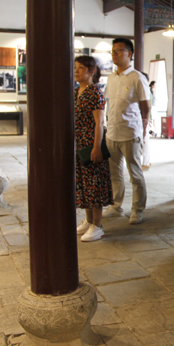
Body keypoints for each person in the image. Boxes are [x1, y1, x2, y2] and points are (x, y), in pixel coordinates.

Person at [104, 38, 150, 224]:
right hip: (111, 133)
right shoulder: (111, 78)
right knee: (114, 174)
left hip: (130, 133)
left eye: (118, 51)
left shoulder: (137, 77)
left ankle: (137, 210)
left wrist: (143, 129)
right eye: (113, 51)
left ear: (129, 54)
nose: (114, 54)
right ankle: (116, 206)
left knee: (135, 174)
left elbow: (146, 106)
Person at [74, 56, 112, 242]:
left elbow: (99, 122)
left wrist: (96, 147)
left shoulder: (95, 92)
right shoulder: (76, 92)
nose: (76, 71)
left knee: (94, 185)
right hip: (79, 144)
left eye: (81, 68)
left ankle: (97, 225)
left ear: (91, 71)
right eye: (75, 67)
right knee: (84, 184)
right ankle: (89, 221)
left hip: (91, 143)